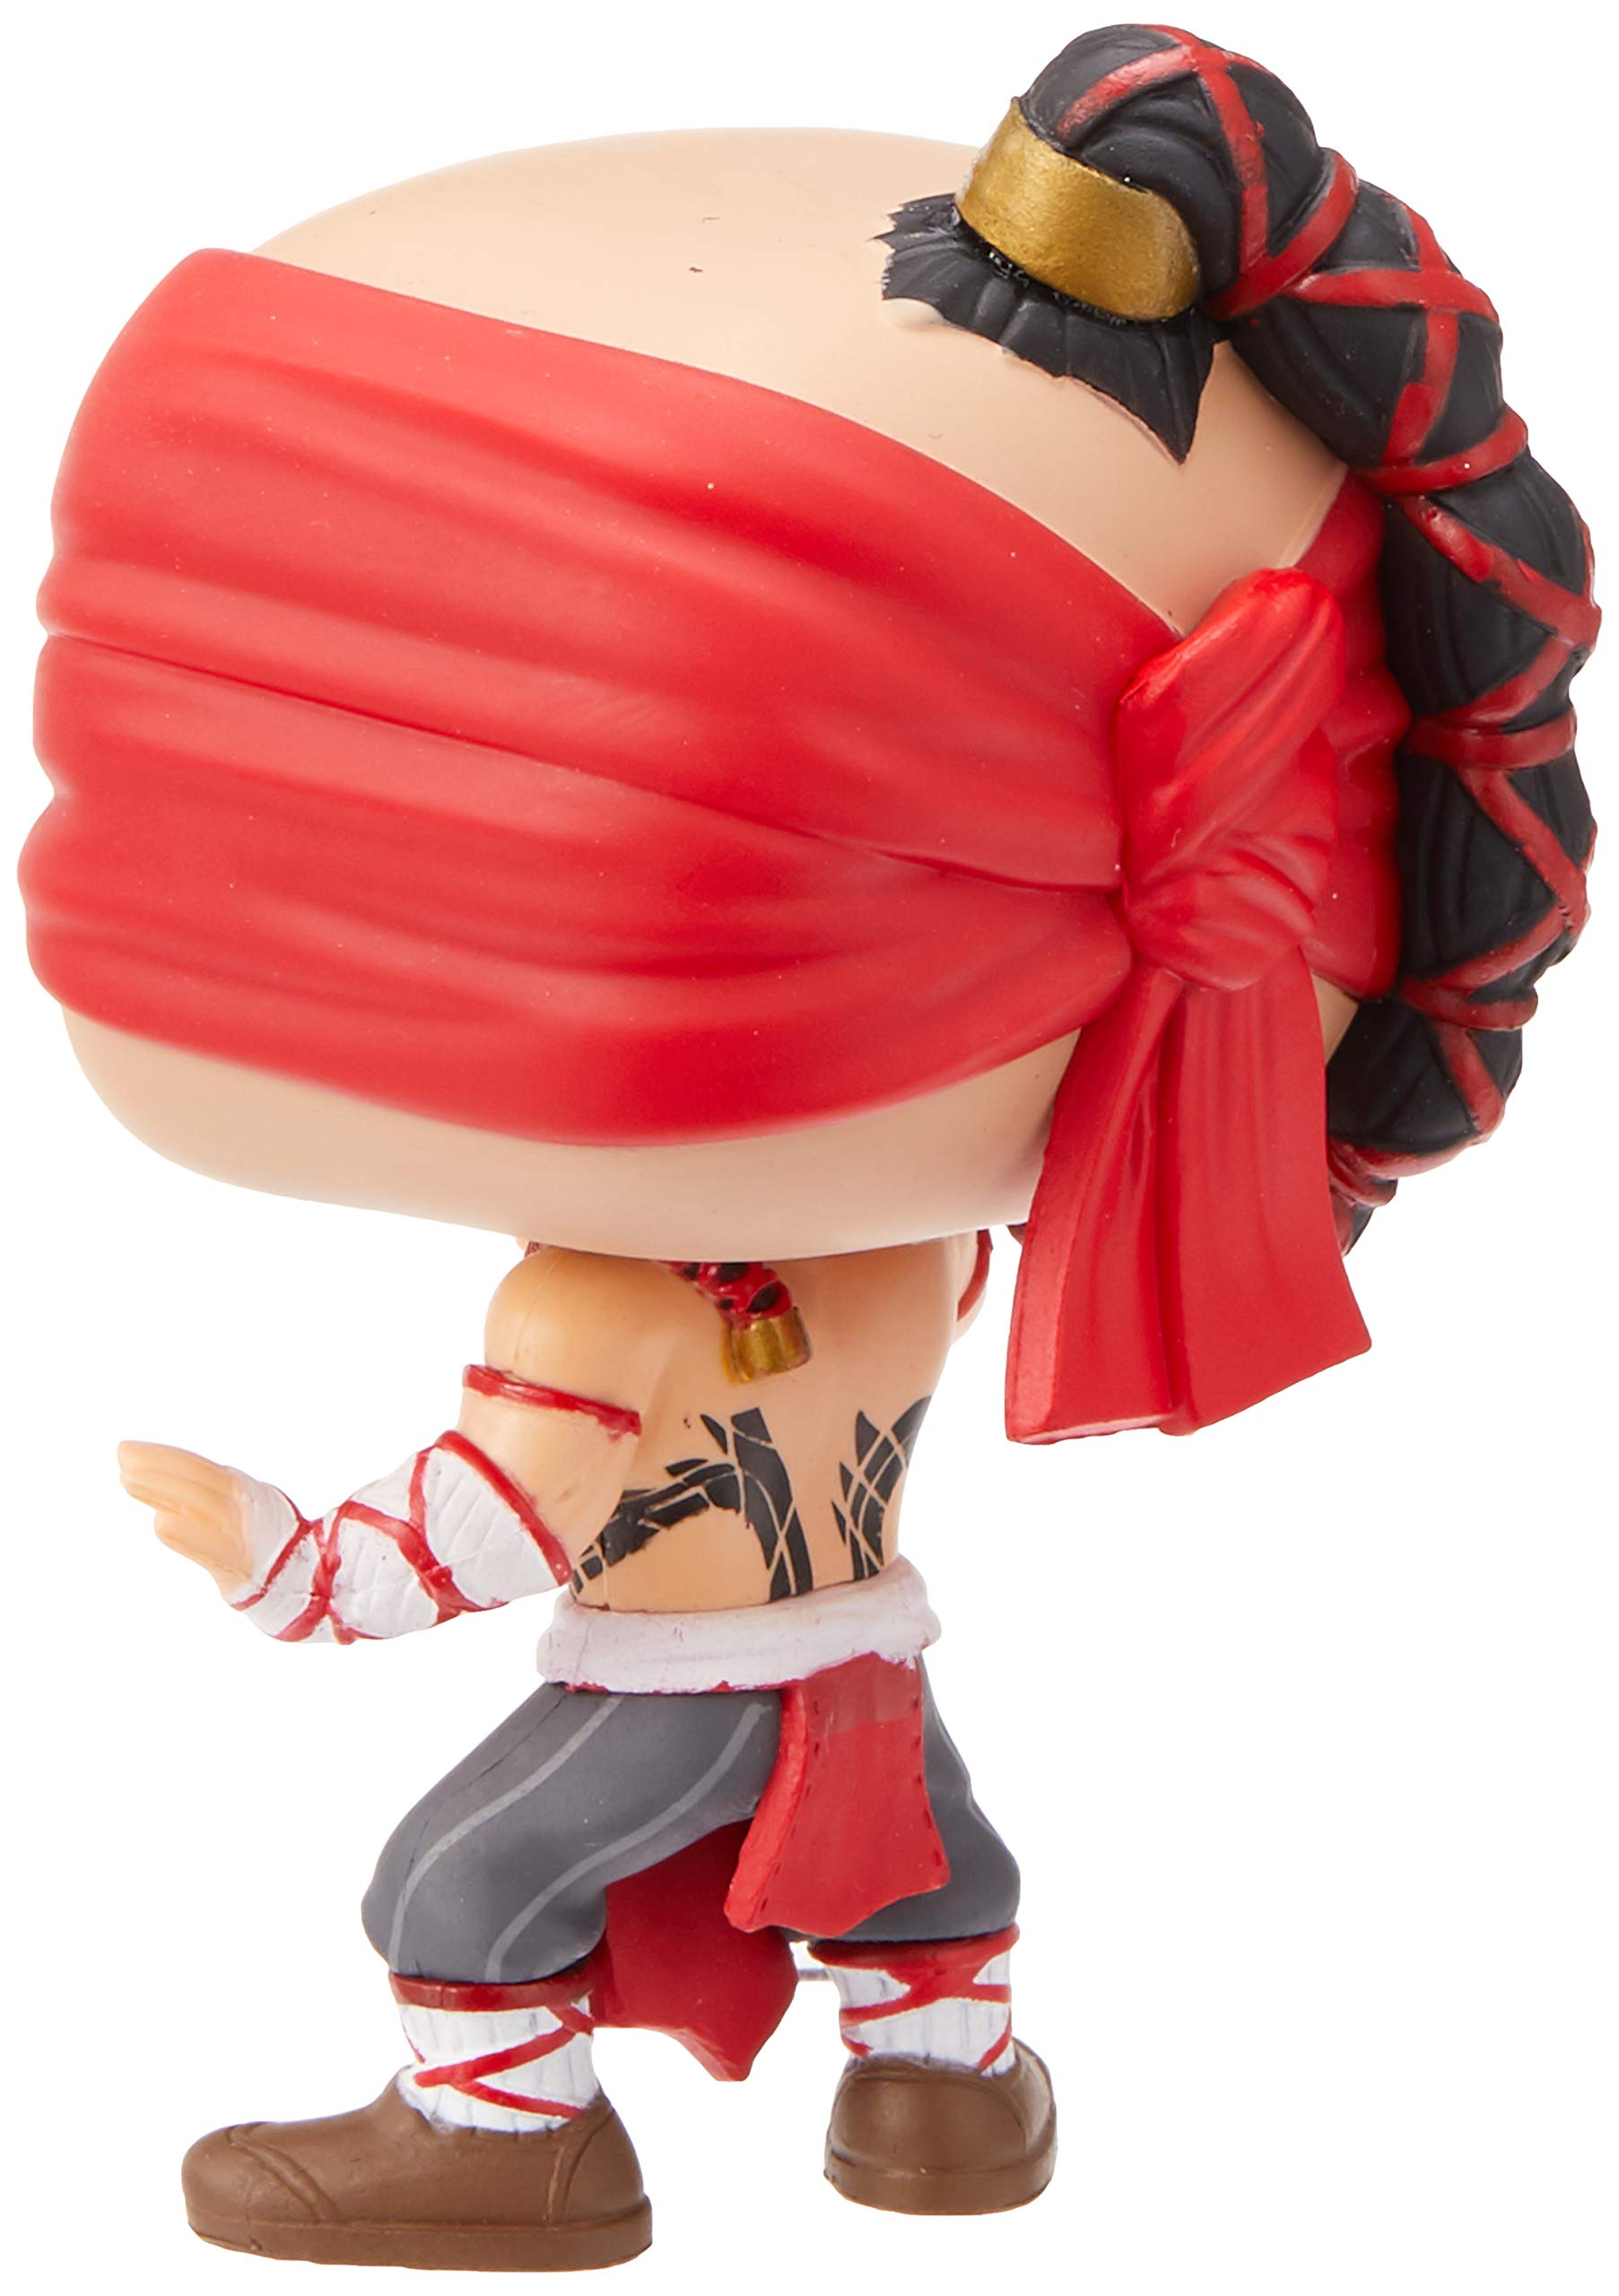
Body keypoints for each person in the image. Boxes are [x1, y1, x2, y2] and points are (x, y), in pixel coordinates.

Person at [23, 22, 1594, 2272]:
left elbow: (489, 1521)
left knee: (458, 1883)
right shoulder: (902, 1262)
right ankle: (946, 2091)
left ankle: (509, 2144)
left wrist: (279, 1558)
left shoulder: (601, 1309)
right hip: (861, 1657)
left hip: (678, 1681)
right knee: (925, 1871)